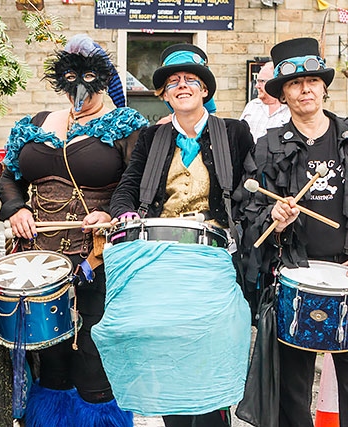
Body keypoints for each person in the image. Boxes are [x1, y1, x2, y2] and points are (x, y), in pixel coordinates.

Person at [0, 34, 148, 426]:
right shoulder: (34, 124)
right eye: (70, 77)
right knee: (50, 353)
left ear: (102, 79)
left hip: (98, 261)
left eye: (88, 78)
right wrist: (15, 207)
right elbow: (9, 176)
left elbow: (139, 185)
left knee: (92, 353)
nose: (79, 88)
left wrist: (114, 216)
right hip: (38, 261)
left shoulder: (126, 125)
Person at [106, 43, 253, 427]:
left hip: (212, 258)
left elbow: (252, 186)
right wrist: (123, 215)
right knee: (167, 356)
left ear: (205, 89)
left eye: (191, 79)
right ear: (164, 94)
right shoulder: (151, 138)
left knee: (206, 351)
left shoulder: (236, 133)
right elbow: (127, 187)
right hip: (157, 259)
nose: (182, 86)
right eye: (173, 81)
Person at [245, 37, 348, 427]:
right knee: (293, 391)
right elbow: (249, 210)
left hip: (347, 272)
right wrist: (274, 216)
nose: (305, 89)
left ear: (323, 87)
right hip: (293, 277)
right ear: (283, 94)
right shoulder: (268, 147)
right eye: (294, 84)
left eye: (312, 82)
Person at [240, 61, 291, 142]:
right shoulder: (252, 105)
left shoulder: (291, 110)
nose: (257, 86)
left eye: (262, 81)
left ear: (275, 83)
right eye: (257, 81)